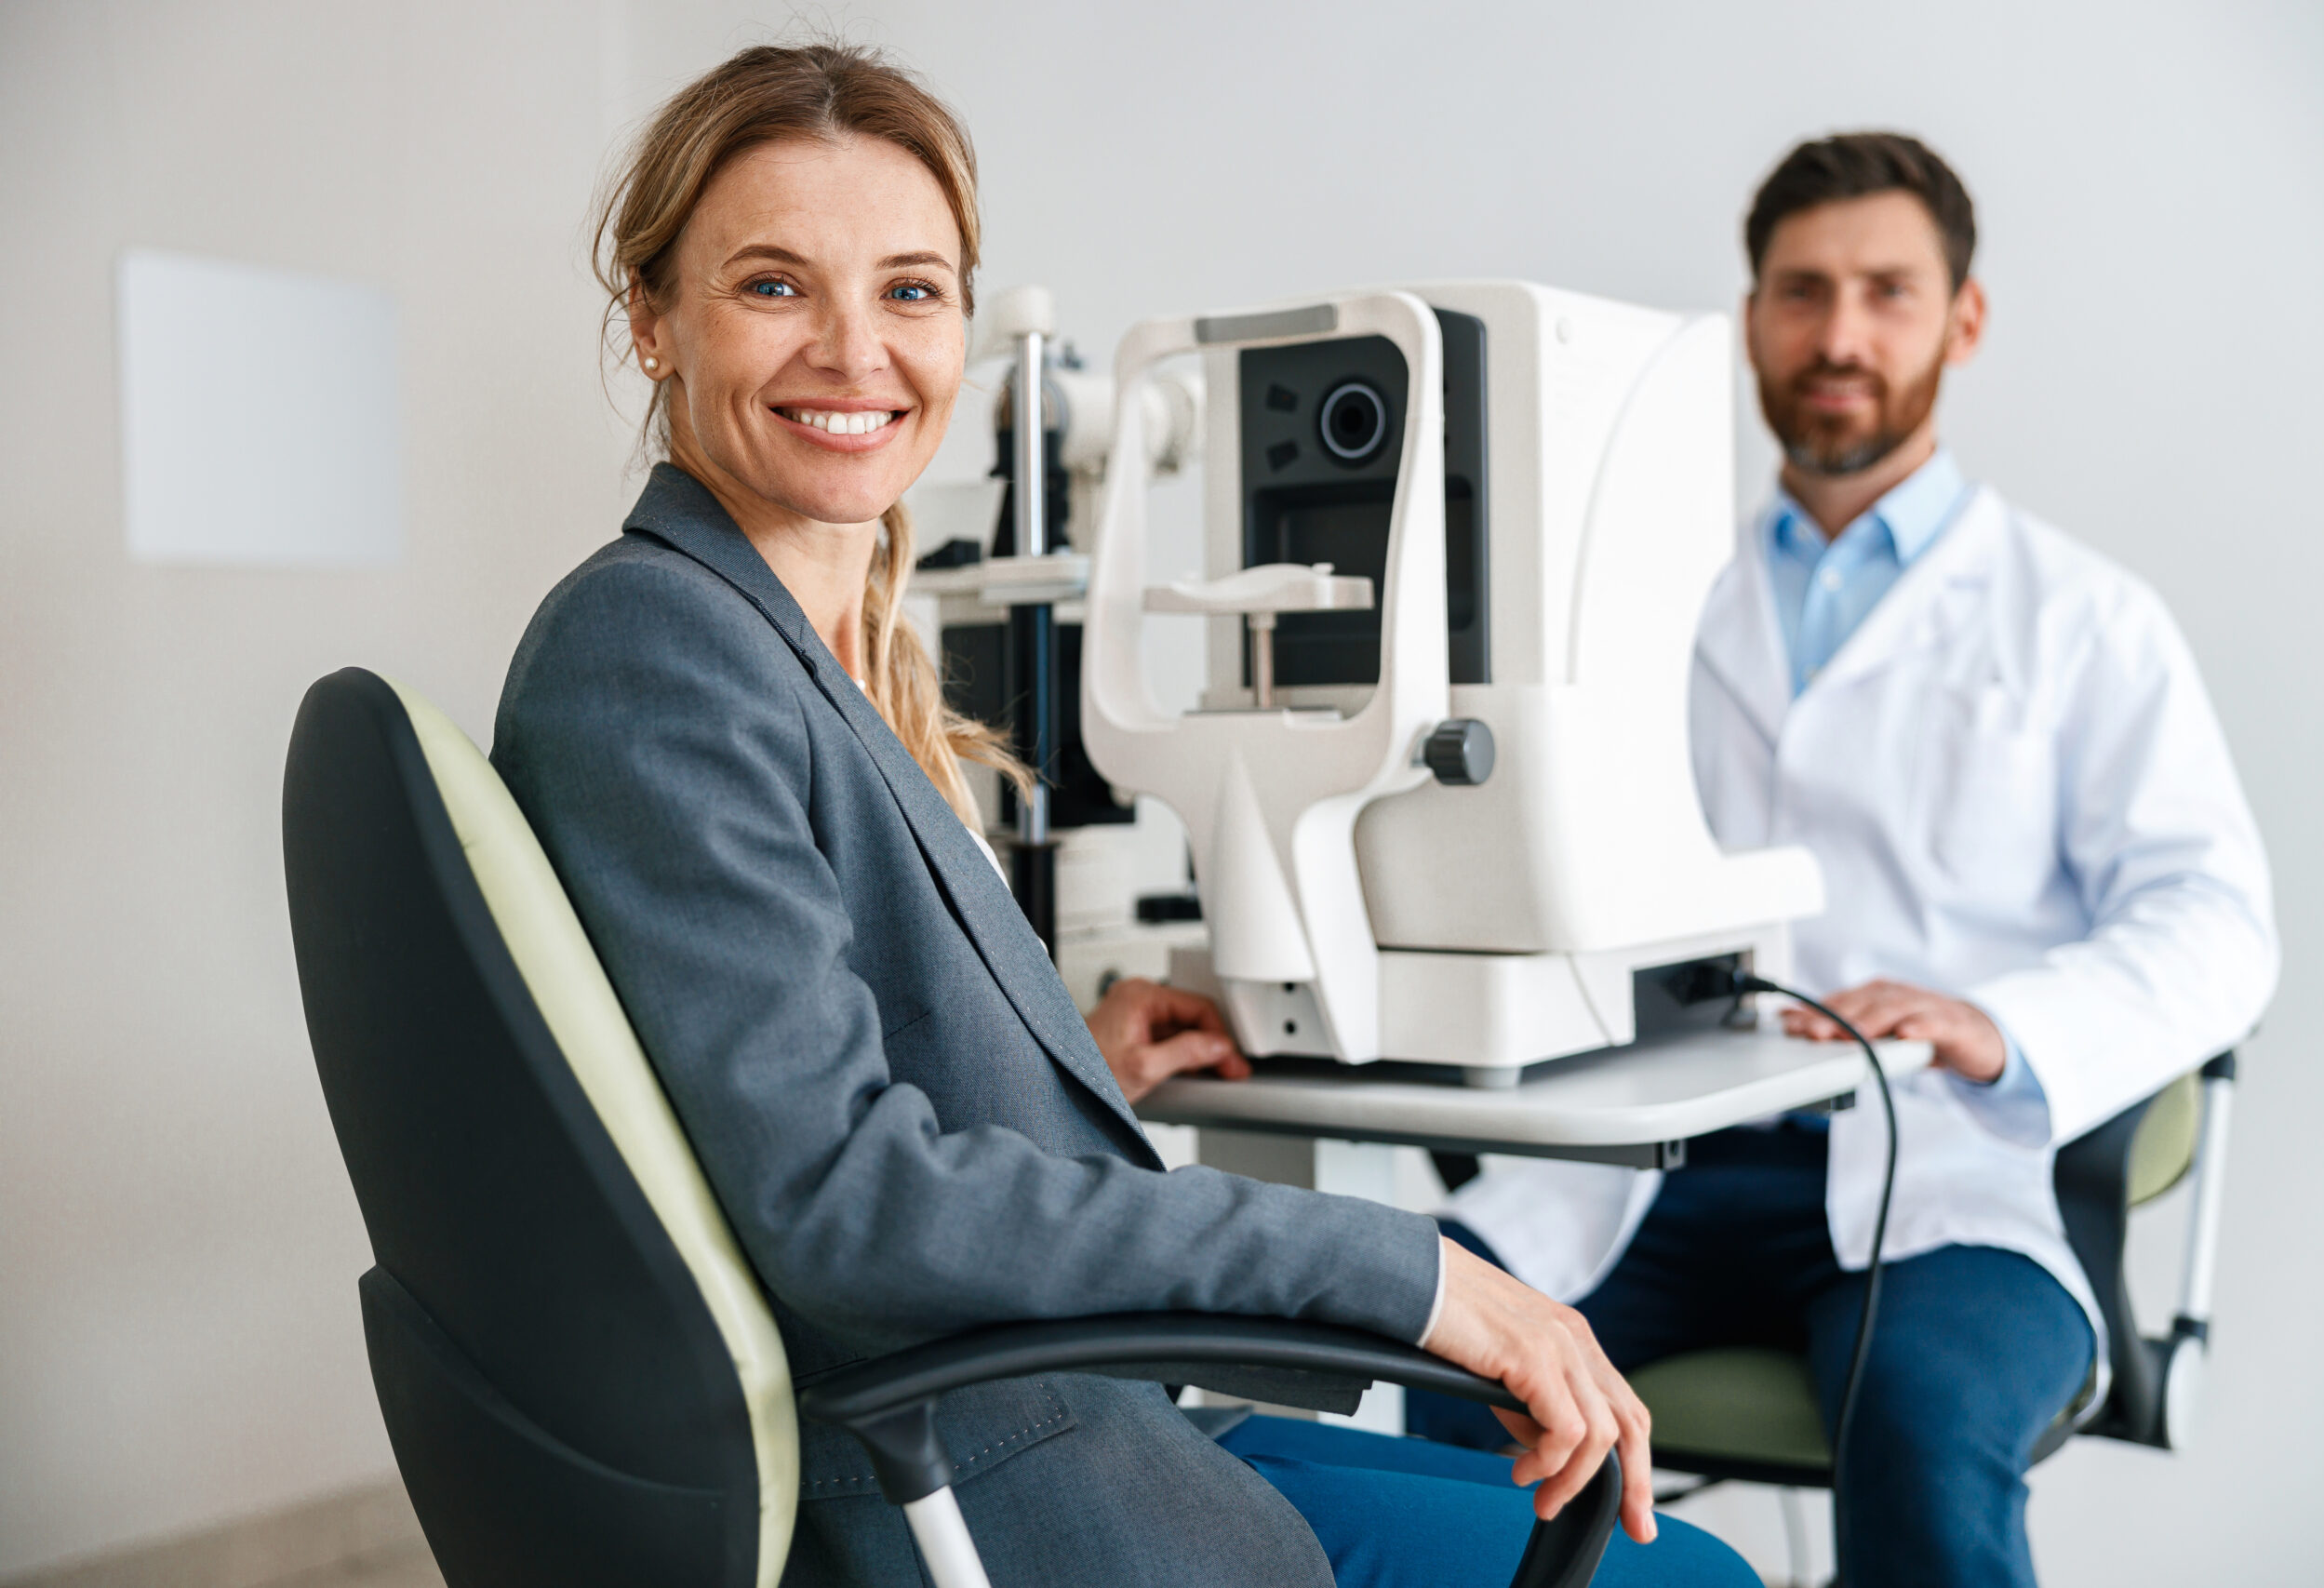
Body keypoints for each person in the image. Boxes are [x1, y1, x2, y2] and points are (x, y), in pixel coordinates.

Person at [490, 42, 1756, 1588]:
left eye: (908, 290)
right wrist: (1406, 1274)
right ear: (654, 319)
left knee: (1594, 1503)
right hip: (966, 1477)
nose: (854, 352)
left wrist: (1068, 1058)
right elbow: (840, 1200)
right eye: (773, 286)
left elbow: (780, 1087)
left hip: (1056, 1404)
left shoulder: (813, 645)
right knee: (1684, 1577)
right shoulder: (659, 649)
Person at [1409, 133, 2277, 1587]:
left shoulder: (2082, 620)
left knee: (1924, 1446)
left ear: (1964, 318)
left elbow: (2218, 920)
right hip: (1656, 1170)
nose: (1841, 337)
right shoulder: (1636, 610)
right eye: (1803, 293)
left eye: (1888, 292)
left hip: (1941, 1182)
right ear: (1751, 320)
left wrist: (2003, 1026)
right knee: (1427, 1397)